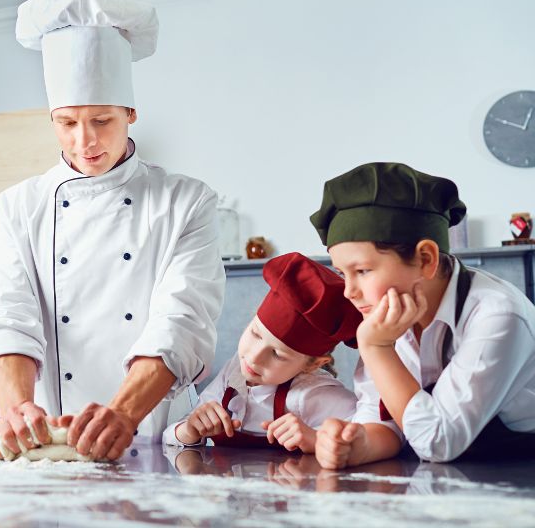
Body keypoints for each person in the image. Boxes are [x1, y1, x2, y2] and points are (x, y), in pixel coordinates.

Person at [0, 0, 225, 461]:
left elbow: (184, 319)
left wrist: (125, 413)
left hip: (157, 439)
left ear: (130, 113)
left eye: (102, 120)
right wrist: (15, 407)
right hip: (46, 439)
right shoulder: (19, 205)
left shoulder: (185, 201)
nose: (84, 141)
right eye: (67, 123)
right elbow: (7, 312)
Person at [310, 162, 535, 469]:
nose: (349, 291)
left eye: (362, 271)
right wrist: (357, 442)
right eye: (341, 273)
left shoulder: (498, 316)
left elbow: (438, 441)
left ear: (426, 259)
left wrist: (377, 349)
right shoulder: (387, 314)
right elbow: (382, 414)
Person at [163, 253, 359, 454]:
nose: (254, 357)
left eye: (276, 354)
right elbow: (171, 436)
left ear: (312, 365)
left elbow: (369, 434)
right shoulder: (234, 372)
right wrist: (189, 430)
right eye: (255, 334)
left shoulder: (312, 393)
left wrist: (317, 439)